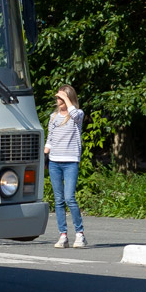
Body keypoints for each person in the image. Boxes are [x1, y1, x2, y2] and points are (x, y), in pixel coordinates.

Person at [45, 84, 86, 248]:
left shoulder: (77, 114)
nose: (58, 100)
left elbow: (75, 113)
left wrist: (67, 99)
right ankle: (63, 235)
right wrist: (45, 154)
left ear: (68, 98)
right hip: (55, 161)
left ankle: (80, 234)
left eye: (61, 98)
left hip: (70, 161)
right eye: (58, 98)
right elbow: (50, 137)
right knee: (59, 200)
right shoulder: (54, 117)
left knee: (70, 198)